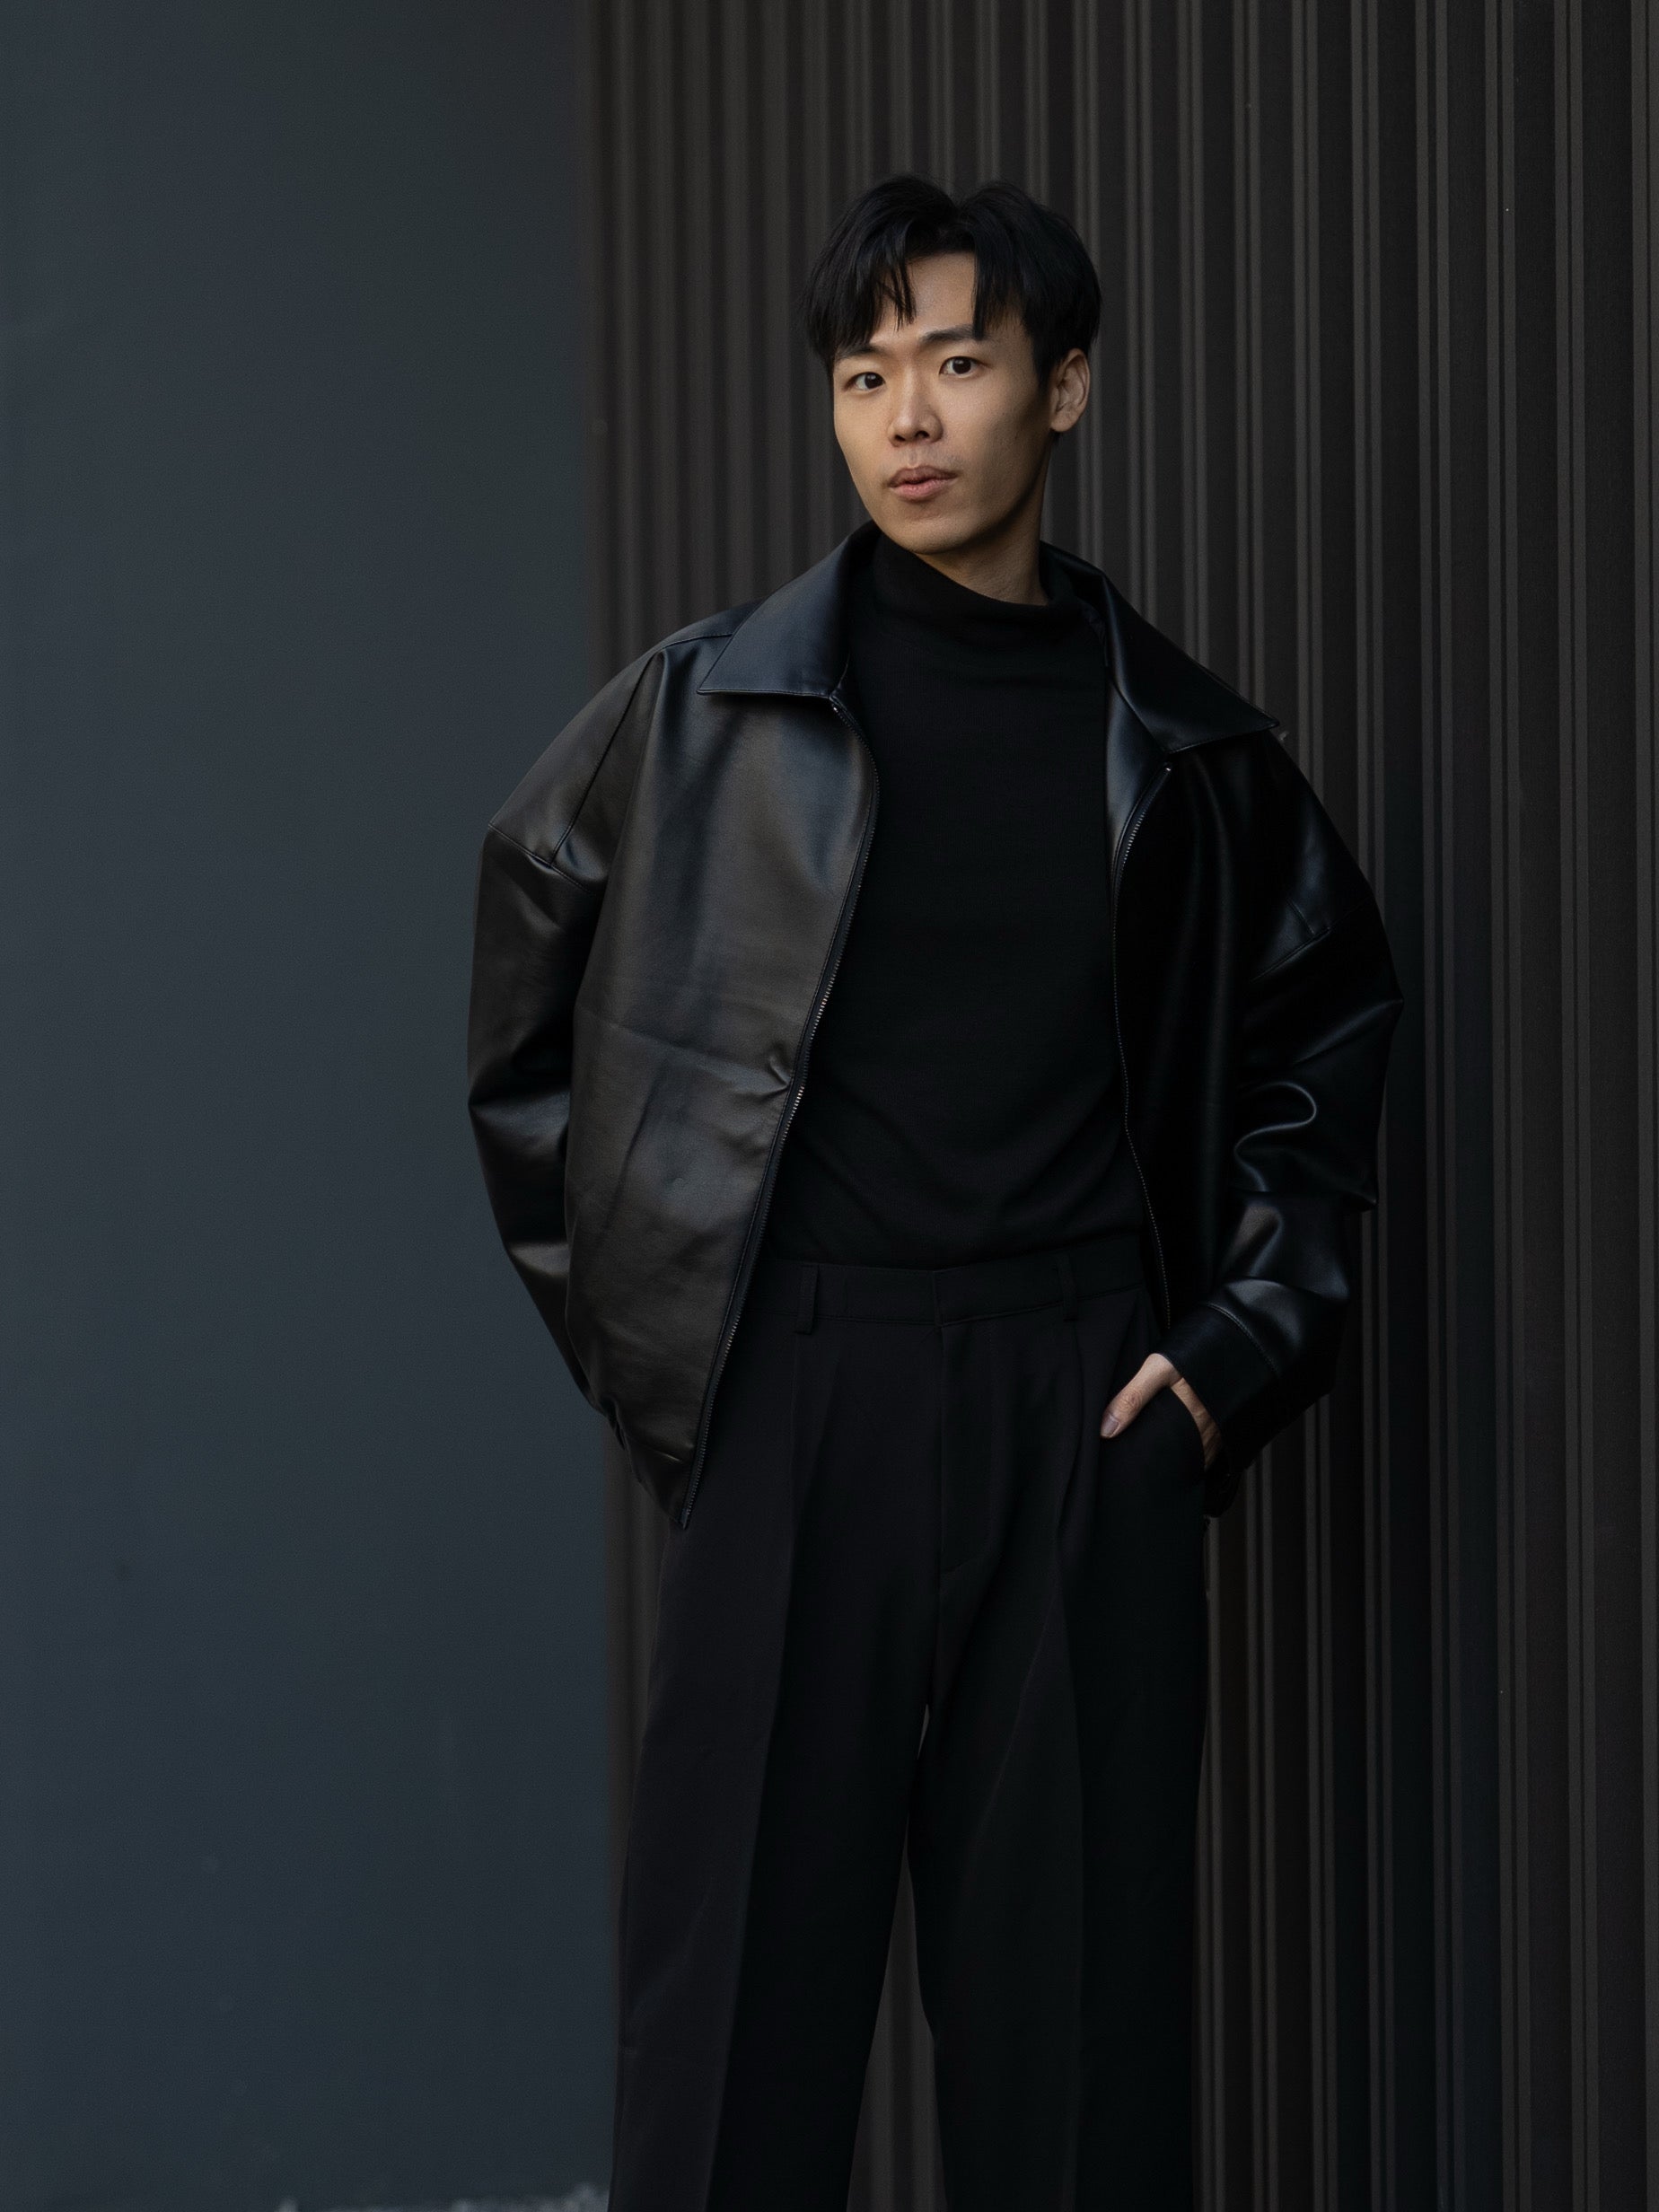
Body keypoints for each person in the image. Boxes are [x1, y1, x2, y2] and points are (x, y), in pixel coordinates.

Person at [467, 173, 1402, 2212]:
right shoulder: (704, 710)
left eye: (957, 363)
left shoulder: (1187, 751)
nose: (904, 416)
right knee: (732, 2028)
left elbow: (1326, 1039)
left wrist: (1238, 1346)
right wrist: (664, 1349)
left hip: (1092, 1404)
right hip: (798, 1389)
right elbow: (522, 1024)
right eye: (863, 372)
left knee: (1074, 2044)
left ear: (1062, 388)